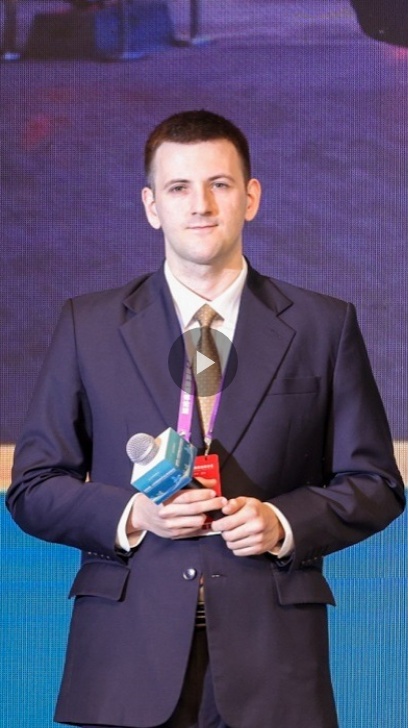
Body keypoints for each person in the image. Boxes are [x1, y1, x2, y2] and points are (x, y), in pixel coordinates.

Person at [7, 110, 405, 728]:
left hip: (272, 664)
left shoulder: (323, 326)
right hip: (126, 658)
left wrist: (282, 523)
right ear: (151, 206)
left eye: (219, 184)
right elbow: (33, 486)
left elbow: (375, 484)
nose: (200, 205)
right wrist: (134, 515)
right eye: (178, 188)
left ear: (251, 198)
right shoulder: (90, 325)